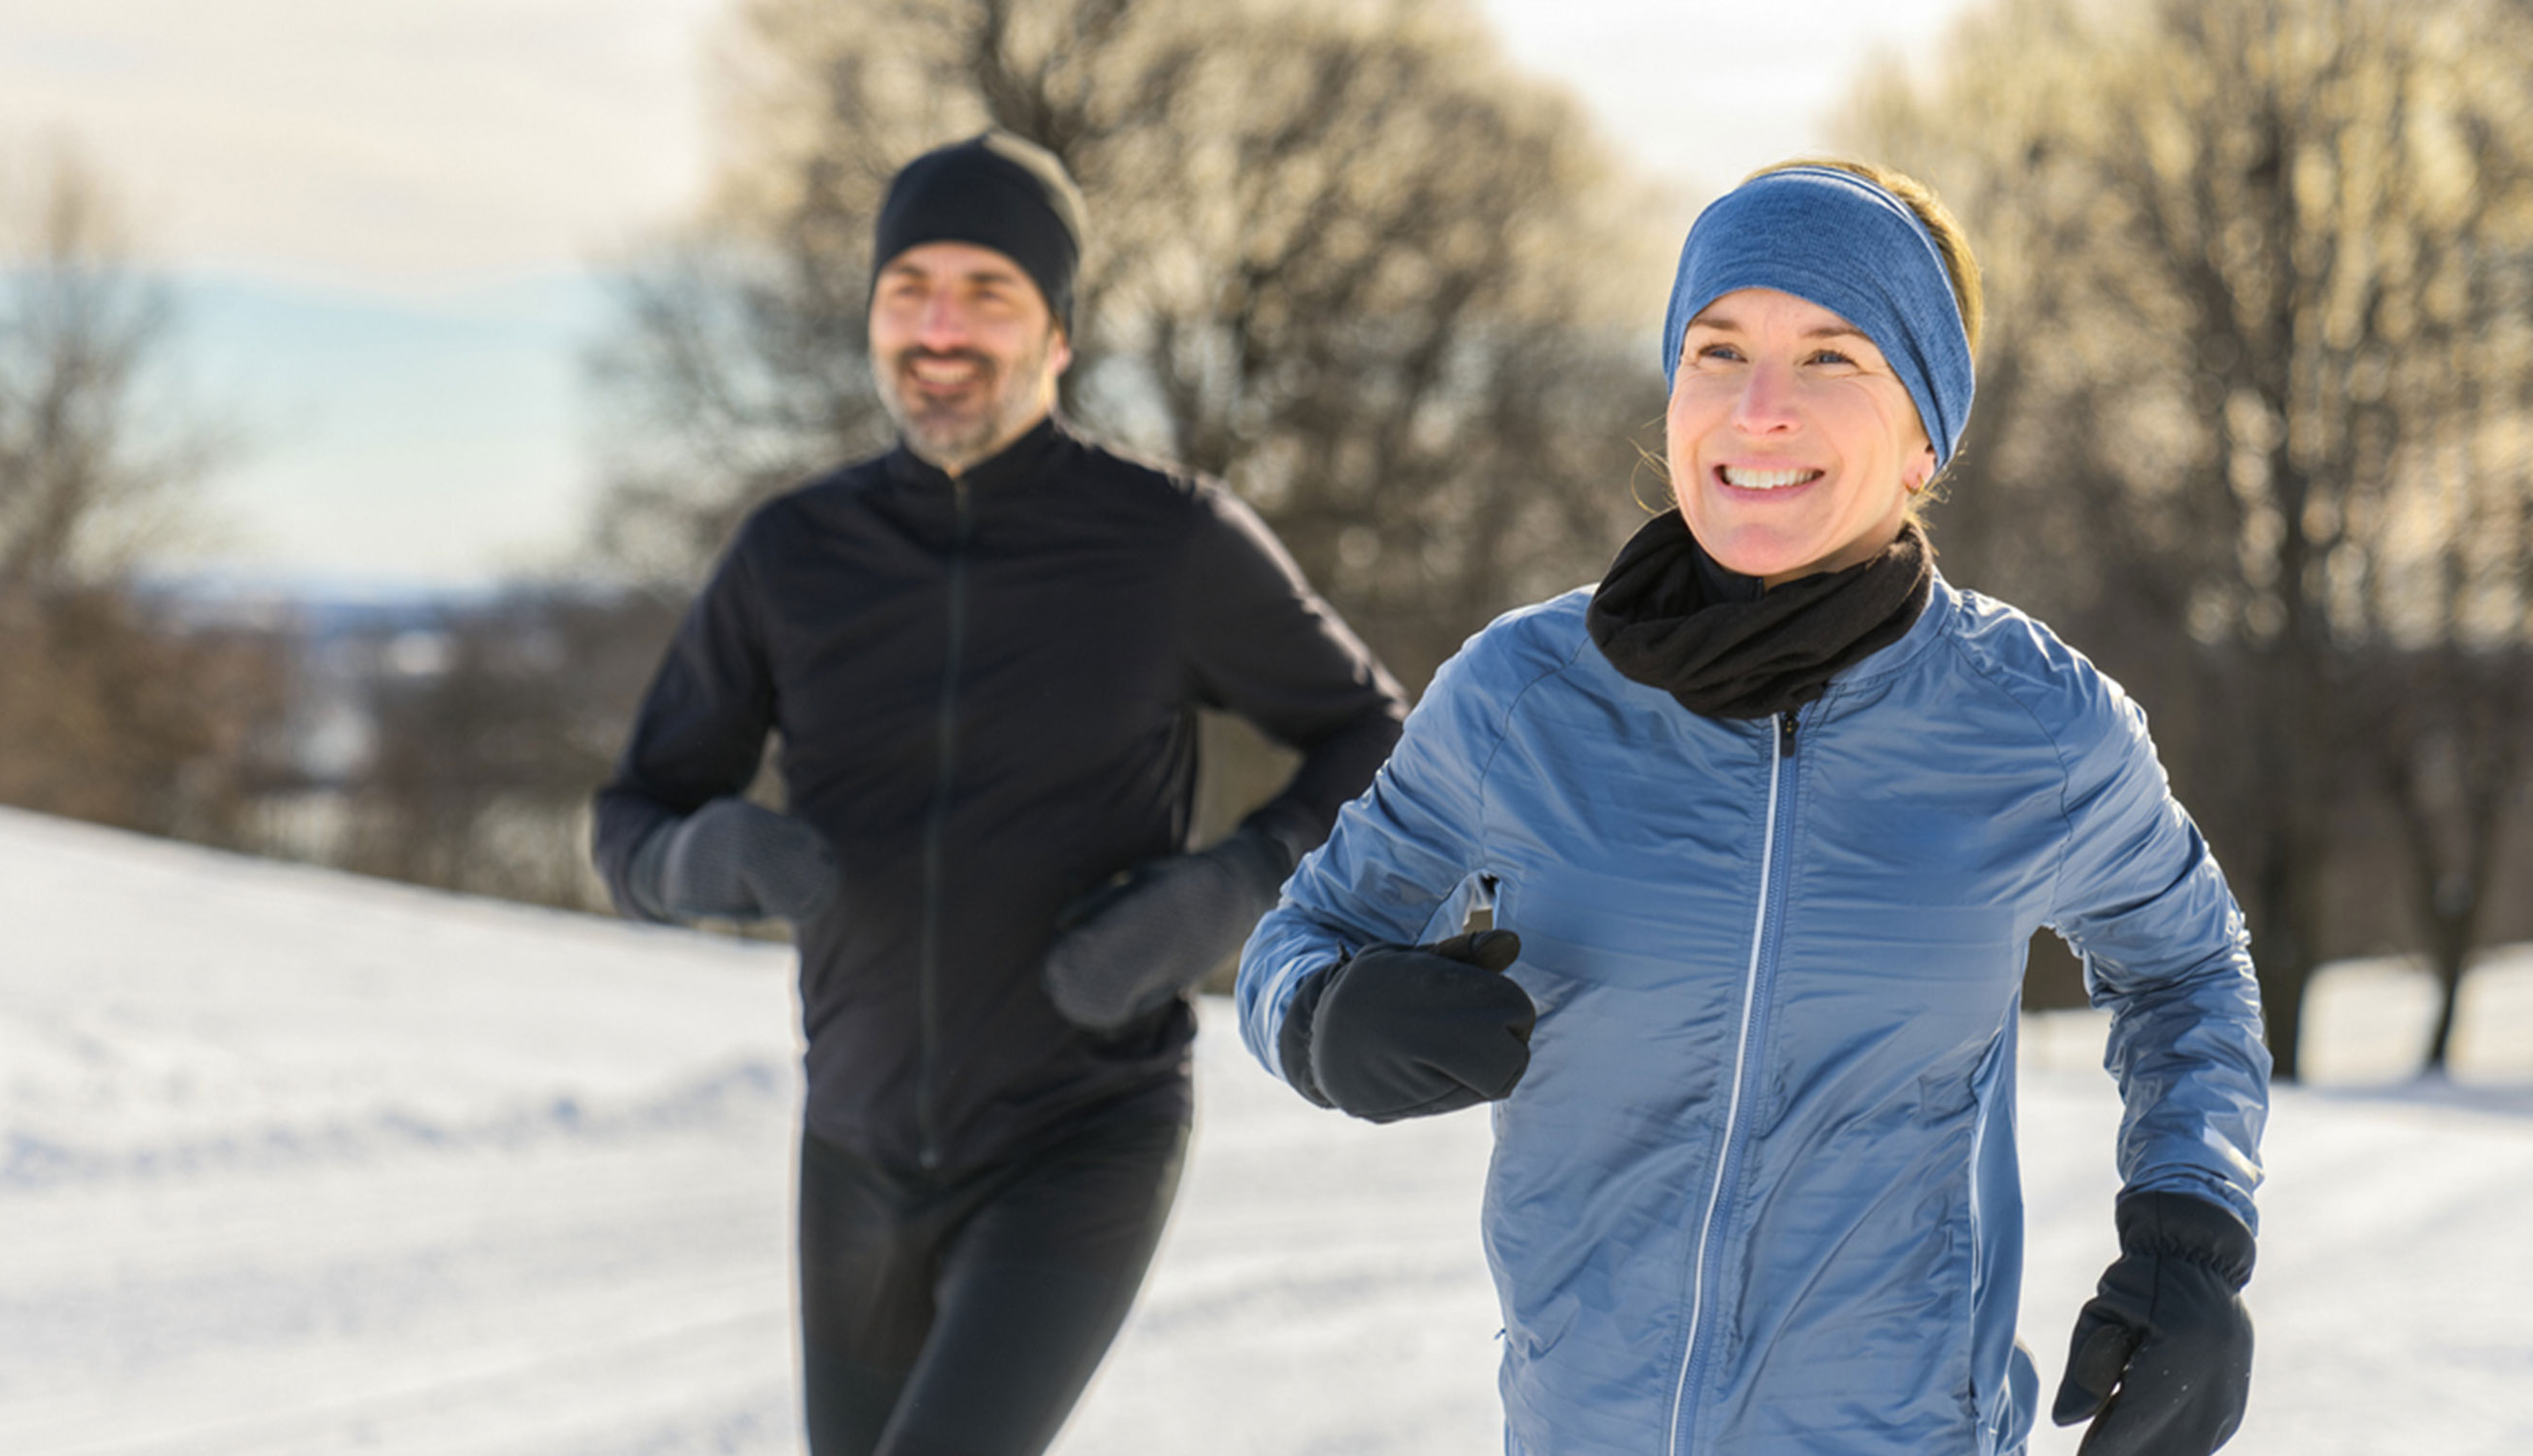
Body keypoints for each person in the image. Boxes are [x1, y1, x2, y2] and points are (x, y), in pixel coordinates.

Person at [1235, 160, 2270, 1456]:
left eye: (1833, 359)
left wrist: (2190, 1234)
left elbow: (2189, 972)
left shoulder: (2037, 727)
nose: (1760, 408)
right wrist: (1325, 1021)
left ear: (1924, 436)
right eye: (1718, 351)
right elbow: (1296, 943)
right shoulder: (1522, 696)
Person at [594, 131, 1404, 1456]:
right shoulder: (790, 554)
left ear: (1061, 334)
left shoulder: (1169, 542)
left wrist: (1227, 892)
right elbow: (628, 822)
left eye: (988, 292)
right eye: (910, 286)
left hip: (1080, 1138)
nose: (941, 326)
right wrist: (703, 860)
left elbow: (1378, 742)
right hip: (852, 1150)